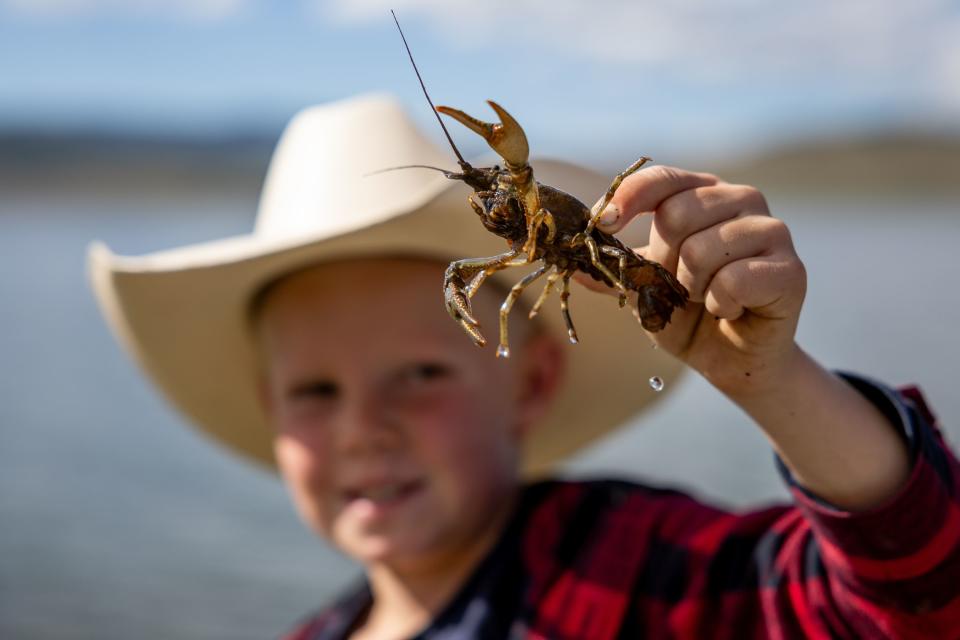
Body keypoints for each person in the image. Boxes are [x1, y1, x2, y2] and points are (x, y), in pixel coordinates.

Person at [89, 95, 960, 639]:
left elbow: (912, 612)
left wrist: (775, 380)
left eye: (421, 374)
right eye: (316, 390)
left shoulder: (632, 571)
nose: (365, 426)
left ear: (532, 380)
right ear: (269, 413)